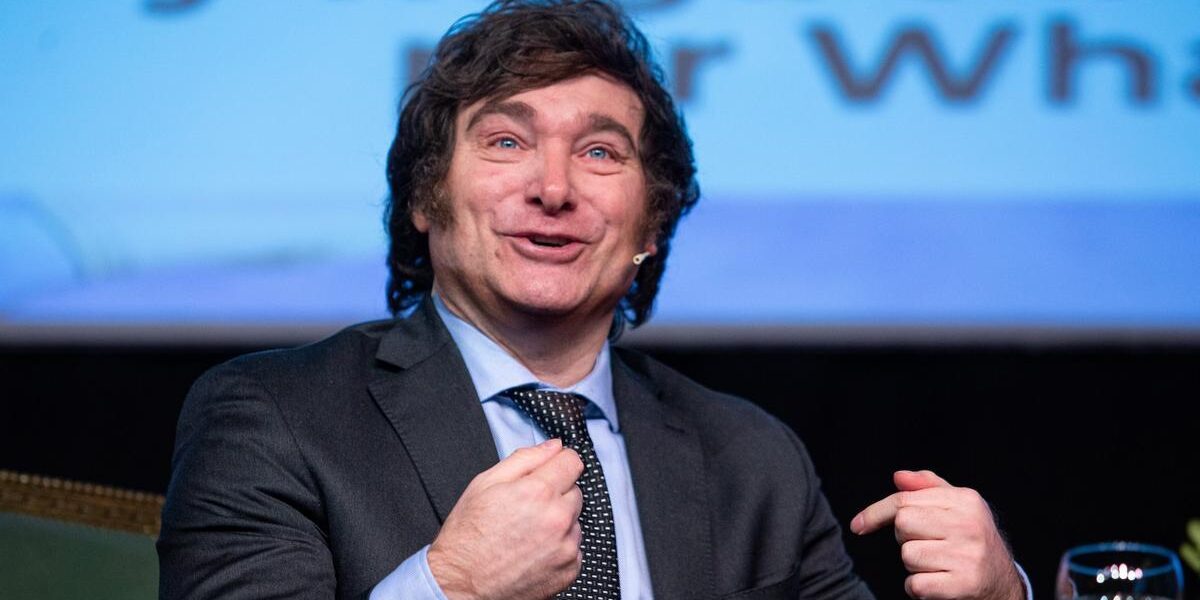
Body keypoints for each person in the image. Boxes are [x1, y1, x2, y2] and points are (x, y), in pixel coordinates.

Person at [157, 1, 1027, 599]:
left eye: (601, 153)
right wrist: (451, 587)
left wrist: (1001, 595)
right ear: (425, 198)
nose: (554, 188)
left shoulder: (750, 457)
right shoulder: (274, 417)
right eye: (507, 141)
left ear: (651, 223)